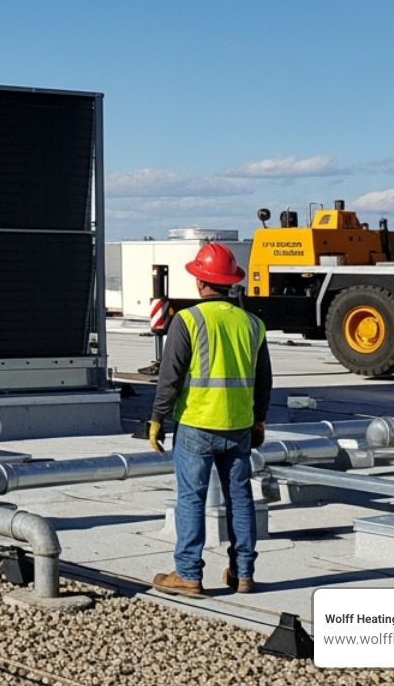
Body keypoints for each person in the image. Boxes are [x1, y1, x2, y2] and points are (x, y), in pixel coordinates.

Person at [148, 242, 271, 597]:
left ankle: (188, 575)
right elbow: (264, 381)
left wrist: (157, 419)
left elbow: (169, 377)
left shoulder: (187, 320)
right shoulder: (252, 324)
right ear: (231, 282)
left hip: (197, 425)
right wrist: (258, 421)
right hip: (239, 426)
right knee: (240, 498)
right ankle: (243, 573)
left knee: (191, 498)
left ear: (201, 282)